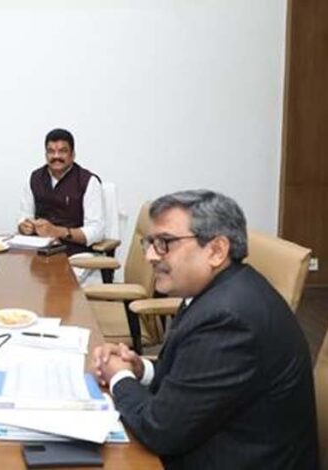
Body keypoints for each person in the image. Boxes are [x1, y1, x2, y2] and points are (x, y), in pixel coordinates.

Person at [92, 190, 318, 469]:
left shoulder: (229, 319)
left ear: (216, 251)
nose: (150, 255)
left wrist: (119, 377)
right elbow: (195, 372)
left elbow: (160, 429)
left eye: (164, 243)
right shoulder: (216, 291)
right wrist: (141, 370)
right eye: (149, 243)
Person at [18, 128, 104, 256]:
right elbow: (24, 216)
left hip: (75, 254)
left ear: (72, 155)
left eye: (62, 151)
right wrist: (24, 226)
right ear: (45, 155)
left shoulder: (88, 182)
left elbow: (96, 231)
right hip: (39, 251)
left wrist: (57, 231)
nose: (56, 156)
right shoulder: (34, 178)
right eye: (51, 151)